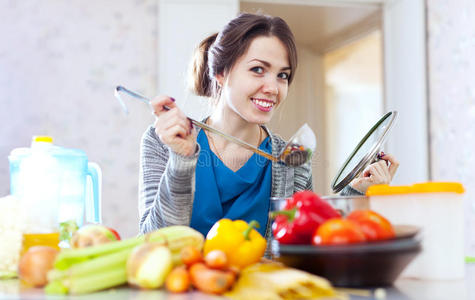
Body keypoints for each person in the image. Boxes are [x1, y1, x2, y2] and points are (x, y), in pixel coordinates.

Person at [138, 13, 399, 240]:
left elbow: (305, 240)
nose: (273, 88)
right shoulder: (165, 140)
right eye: (258, 70)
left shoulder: (293, 157)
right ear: (220, 73)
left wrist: (357, 193)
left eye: (282, 75)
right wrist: (180, 161)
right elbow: (152, 242)